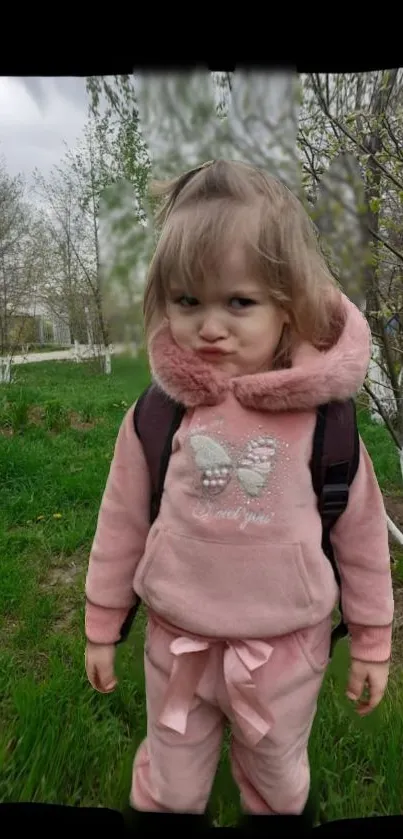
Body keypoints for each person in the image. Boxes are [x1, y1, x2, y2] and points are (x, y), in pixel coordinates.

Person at [84, 160, 394, 830]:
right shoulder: (159, 413)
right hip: (178, 641)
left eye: (239, 302)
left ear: (289, 306)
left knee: (278, 776)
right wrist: (102, 625)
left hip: (285, 648)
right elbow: (120, 523)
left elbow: (363, 537)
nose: (210, 326)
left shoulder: (324, 420)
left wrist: (370, 639)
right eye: (187, 301)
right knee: (169, 774)